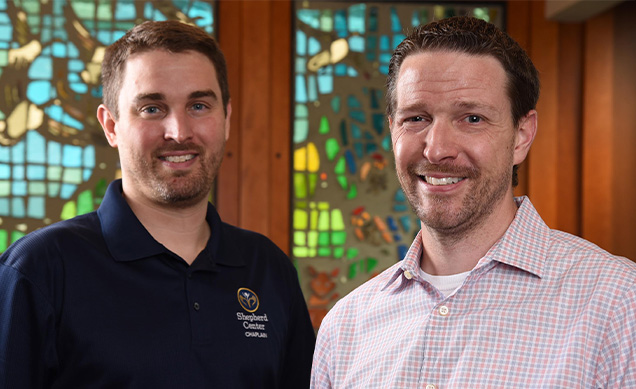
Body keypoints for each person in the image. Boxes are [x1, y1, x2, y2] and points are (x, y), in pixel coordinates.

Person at [311, 16, 636, 388]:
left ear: (521, 136)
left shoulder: (618, 304)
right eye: (416, 118)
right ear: (391, 129)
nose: (437, 148)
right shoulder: (345, 328)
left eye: (472, 118)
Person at [0, 20, 315, 388]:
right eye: (152, 108)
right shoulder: (38, 269)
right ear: (111, 125)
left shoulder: (268, 269)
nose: (179, 132)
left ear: (226, 119)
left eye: (198, 105)